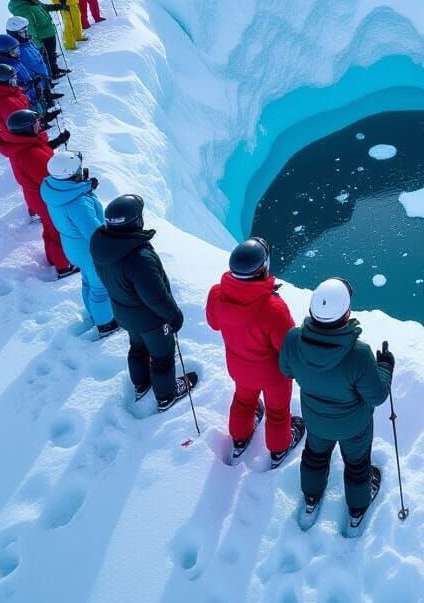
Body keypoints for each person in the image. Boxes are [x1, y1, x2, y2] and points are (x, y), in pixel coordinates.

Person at [279, 278, 392, 524]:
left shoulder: (292, 340)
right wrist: (385, 368)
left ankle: (311, 498)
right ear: (346, 314)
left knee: (314, 456)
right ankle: (357, 510)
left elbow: (286, 370)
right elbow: (378, 395)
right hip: (354, 427)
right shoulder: (359, 354)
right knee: (357, 464)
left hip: (316, 419)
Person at [89, 194, 197, 411]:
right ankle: (166, 396)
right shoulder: (138, 258)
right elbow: (155, 297)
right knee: (162, 356)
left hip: (123, 312)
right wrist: (173, 315)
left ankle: (141, 384)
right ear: (135, 222)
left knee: (137, 348)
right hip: (151, 320)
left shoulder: (101, 244)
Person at [206, 238, 305, 463]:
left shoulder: (216, 294)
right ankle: (279, 449)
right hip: (272, 375)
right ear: (262, 269)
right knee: (278, 412)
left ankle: (239, 439)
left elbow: (214, 323)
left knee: (243, 399)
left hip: (239, 366)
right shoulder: (273, 308)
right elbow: (287, 347)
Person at [42, 151, 118, 337]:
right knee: (101, 288)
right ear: (71, 174)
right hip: (90, 251)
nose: (82, 171)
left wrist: (84, 187)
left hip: (74, 248)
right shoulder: (78, 203)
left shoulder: (55, 190)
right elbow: (95, 233)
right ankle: (106, 324)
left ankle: (94, 314)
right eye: (78, 169)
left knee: (88, 281)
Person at [0, 109, 75, 275]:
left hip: (37, 196)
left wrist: (57, 142)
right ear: (27, 129)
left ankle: (53, 259)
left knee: (50, 227)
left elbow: (41, 151)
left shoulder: (22, 144)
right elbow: (51, 176)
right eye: (36, 125)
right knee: (58, 230)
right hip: (45, 197)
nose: (40, 127)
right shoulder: (28, 153)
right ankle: (63, 266)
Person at [8, 0, 70, 77]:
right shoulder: (22, 8)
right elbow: (29, 28)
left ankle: (54, 69)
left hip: (48, 32)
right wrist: (37, 43)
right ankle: (49, 75)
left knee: (51, 53)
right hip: (42, 37)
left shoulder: (31, 0)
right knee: (45, 56)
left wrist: (59, 6)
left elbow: (44, 7)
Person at [0, 63, 53, 133]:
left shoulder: (4, 92)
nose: (16, 82)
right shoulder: (6, 103)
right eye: (13, 80)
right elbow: (22, 128)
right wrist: (39, 124)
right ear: (3, 82)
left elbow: (20, 99)